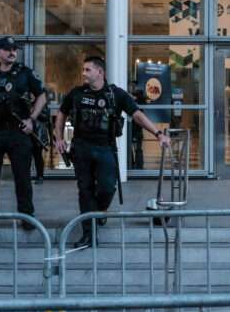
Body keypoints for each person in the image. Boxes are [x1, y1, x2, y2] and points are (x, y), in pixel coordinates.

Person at [54, 56, 170, 249]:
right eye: (83, 70)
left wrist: (158, 133)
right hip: (81, 147)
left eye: (88, 70)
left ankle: (99, 212)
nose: (84, 73)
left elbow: (138, 115)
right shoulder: (76, 93)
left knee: (108, 187)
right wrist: (58, 138)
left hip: (105, 148)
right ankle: (88, 234)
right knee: (85, 190)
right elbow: (61, 114)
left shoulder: (115, 94)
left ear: (100, 72)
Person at [0, 37, 47, 232]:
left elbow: (42, 95)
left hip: (18, 132)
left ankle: (26, 217)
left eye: (14, 49)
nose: (12, 52)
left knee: (22, 177)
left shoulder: (25, 73)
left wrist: (31, 119)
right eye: (7, 49)